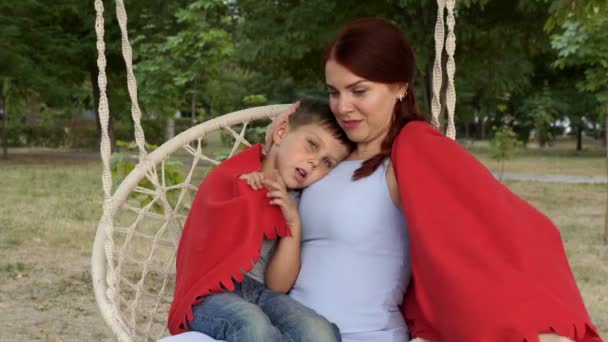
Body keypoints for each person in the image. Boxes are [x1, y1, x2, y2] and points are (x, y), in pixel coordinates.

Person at [286, 17, 602, 342]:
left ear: (400, 86)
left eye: (359, 91)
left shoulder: (413, 149)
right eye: (334, 92)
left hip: (358, 333)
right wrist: (279, 140)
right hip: (285, 324)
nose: (342, 106)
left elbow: (501, 230)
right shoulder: (329, 153)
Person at [167, 98, 354, 342]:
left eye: (327, 162)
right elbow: (205, 243)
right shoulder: (235, 176)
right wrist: (252, 197)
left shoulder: (295, 201)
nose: (314, 162)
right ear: (280, 131)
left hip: (258, 293)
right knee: (253, 327)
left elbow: (277, 285)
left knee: (321, 333)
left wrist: (293, 224)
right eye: (311, 145)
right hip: (208, 296)